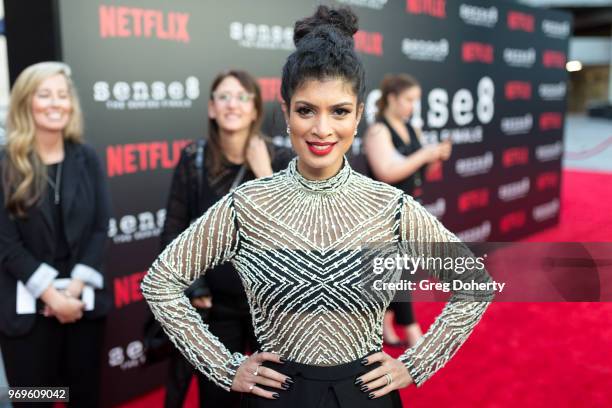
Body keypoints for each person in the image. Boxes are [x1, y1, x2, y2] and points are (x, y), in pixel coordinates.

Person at [142, 6, 492, 408]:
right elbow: (160, 282)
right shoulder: (248, 204)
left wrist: (416, 364)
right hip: (277, 395)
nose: (322, 129)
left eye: (339, 111)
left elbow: (474, 283)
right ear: (286, 113)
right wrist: (224, 367)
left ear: (359, 115)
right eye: (306, 110)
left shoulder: (389, 205)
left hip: (366, 396)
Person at [159, 70, 293, 408]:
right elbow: (174, 231)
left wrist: (264, 173)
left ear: (254, 109)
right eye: (224, 97)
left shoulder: (279, 159)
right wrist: (195, 285)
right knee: (219, 397)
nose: (232, 104)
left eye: (242, 97)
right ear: (211, 108)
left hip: (271, 304)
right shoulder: (195, 159)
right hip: (216, 305)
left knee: (274, 395)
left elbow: (294, 234)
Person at [0, 62, 111, 407]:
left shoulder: (87, 157)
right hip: (27, 319)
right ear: (25, 103)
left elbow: (99, 228)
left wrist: (72, 292)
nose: (55, 103)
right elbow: (6, 243)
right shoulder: (6, 162)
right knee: (35, 400)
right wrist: (52, 297)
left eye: (62, 95)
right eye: (44, 94)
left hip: (82, 308)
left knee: (84, 397)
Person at [365, 74, 452, 348]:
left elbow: (422, 172)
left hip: (411, 207)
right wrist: (425, 154)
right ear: (392, 98)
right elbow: (387, 172)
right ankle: (413, 332)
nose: (413, 106)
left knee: (400, 270)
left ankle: (385, 325)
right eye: (409, 100)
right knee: (398, 271)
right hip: (384, 214)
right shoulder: (378, 131)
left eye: (416, 101)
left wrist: (436, 157)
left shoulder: (412, 129)